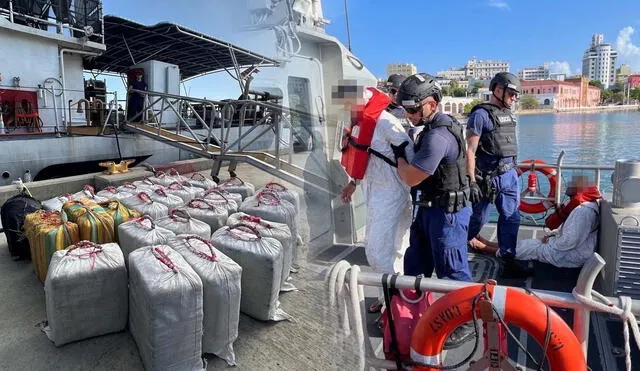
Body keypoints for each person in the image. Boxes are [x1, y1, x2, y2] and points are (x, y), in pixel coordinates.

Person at [391, 73, 474, 348]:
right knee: (415, 264)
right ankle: (414, 312)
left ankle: (468, 322)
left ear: (433, 103)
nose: (409, 114)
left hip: (447, 214)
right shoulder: (431, 128)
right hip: (429, 209)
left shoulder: (438, 136)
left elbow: (411, 177)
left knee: (452, 271)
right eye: (406, 109)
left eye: (414, 109)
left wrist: (401, 157)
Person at [335, 80, 414, 313]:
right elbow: (365, 157)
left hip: (393, 194)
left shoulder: (386, 122)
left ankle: (393, 304)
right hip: (378, 192)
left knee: (377, 249)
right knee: (391, 249)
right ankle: (388, 296)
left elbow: (410, 155)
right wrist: (353, 183)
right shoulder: (363, 122)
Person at [465, 72, 531, 278]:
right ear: (498, 90)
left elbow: (508, 146)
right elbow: (470, 151)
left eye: (516, 95)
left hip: (509, 176)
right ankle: (458, 244)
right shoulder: (480, 115)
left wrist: (515, 168)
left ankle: (508, 260)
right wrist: (472, 181)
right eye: (511, 93)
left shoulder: (510, 115)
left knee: (511, 218)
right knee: (478, 218)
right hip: (487, 179)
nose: (514, 98)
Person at [471, 176, 602, 268]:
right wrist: (553, 235)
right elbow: (571, 235)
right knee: (525, 243)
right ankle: (491, 244)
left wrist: (551, 240)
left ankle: (484, 248)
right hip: (567, 248)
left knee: (526, 248)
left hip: (568, 256)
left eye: (571, 185)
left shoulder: (582, 212)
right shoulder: (583, 207)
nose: (567, 186)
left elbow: (568, 243)